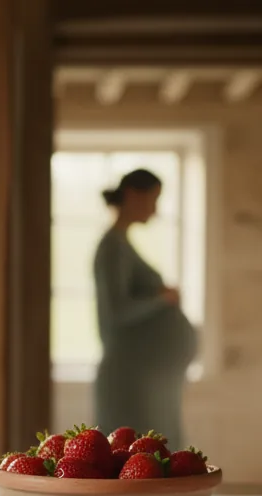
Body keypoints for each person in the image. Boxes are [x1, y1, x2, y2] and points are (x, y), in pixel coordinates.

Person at [93, 169, 196, 447]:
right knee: (132, 454)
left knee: (153, 454)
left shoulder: (122, 244)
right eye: (153, 199)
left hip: (146, 380)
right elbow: (117, 311)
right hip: (129, 380)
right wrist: (162, 299)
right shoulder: (111, 247)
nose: (155, 209)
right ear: (131, 195)